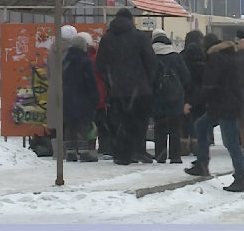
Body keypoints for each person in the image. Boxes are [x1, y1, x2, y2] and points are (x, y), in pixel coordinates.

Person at [185, 33, 244, 192]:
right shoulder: (230, 56)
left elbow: (209, 86)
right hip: (227, 104)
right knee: (201, 125)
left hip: (223, 106)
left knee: (231, 142)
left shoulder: (215, 59)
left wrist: (191, 102)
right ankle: (202, 163)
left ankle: (242, 177)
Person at [96, 9, 157, 165]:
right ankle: (138, 151)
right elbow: (150, 61)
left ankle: (121, 154)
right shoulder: (140, 37)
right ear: (131, 20)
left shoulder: (107, 38)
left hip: (116, 90)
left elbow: (100, 64)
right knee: (139, 121)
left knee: (119, 121)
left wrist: (110, 81)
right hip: (140, 89)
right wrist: (147, 81)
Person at [151, 29, 190, 164]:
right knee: (175, 127)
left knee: (159, 127)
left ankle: (160, 155)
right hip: (175, 97)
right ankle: (175, 156)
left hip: (157, 97)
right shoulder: (176, 56)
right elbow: (186, 76)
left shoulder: (151, 56)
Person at [62, 35, 100, 162]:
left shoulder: (66, 60)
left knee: (70, 124)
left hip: (68, 96)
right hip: (82, 96)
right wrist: (95, 97)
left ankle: (70, 152)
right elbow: (91, 81)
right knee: (83, 124)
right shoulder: (85, 61)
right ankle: (84, 152)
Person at [77, 32, 112, 160]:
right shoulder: (97, 58)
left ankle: (84, 147)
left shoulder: (78, 58)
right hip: (99, 94)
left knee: (84, 124)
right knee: (102, 123)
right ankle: (105, 147)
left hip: (84, 96)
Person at [47, 25, 77, 159]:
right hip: (69, 89)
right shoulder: (73, 53)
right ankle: (68, 149)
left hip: (54, 89)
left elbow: (48, 73)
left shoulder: (52, 51)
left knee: (55, 122)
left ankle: (57, 152)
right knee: (67, 121)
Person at [180, 30, 206, 156]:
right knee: (198, 118)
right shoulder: (203, 56)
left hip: (184, 91)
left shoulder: (181, 56)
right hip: (200, 92)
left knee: (185, 120)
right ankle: (197, 144)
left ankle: (183, 145)